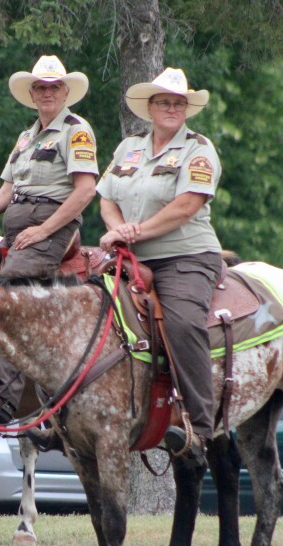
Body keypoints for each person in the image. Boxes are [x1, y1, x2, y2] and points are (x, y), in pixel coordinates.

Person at [96, 67, 223, 464]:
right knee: (78, 304)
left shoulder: (198, 150)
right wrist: (118, 231)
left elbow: (186, 206)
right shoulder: (128, 148)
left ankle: (203, 428)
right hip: (130, 255)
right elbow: (106, 199)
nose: (172, 108)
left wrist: (134, 233)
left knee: (183, 323)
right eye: (164, 102)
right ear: (149, 108)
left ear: (187, 109)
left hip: (184, 256)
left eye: (179, 103)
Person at [0, 54, 99, 278]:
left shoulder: (76, 130)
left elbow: (86, 190)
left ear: (66, 92)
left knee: (8, 284)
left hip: (50, 230)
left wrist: (42, 230)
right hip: (17, 232)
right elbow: (5, 194)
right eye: (40, 87)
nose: (47, 93)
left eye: (54, 87)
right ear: (31, 94)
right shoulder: (26, 137)